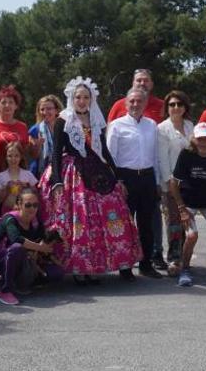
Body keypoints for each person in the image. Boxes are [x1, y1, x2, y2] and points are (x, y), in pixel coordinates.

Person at [39, 76, 141, 283]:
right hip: (74, 174)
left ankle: (105, 265)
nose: (82, 101)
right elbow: (56, 153)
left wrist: (117, 176)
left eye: (86, 97)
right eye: (78, 97)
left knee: (111, 214)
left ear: (91, 99)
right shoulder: (63, 120)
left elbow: (103, 150)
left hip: (98, 171)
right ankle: (80, 268)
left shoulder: (96, 120)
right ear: (72, 98)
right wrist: (57, 181)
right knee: (81, 220)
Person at [107, 69, 167, 268]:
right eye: (131, 101)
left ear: (144, 104)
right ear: (125, 104)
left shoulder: (151, 125)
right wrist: (117, 182)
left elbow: (156, 156)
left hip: (147, 178)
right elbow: (110, 157)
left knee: (146, 224)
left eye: (139, 101)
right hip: (126, 178)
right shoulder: (116, 126)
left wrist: (157, 182)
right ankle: (125, 265)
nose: (135, 104)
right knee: (124, 224)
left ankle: (146, 263)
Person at [169, 122, 206, 287]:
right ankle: (185, 269)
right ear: (193, 140)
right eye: (199, 138)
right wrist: (181, 209)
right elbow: (174, 184)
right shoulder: (186, 154)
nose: (203, 142)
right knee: (191, 236)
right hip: (188, 201)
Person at [0, 187, 63, 305]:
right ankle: (4, 290)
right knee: (16, 248)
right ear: (19, 204)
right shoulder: (9, 219)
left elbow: (43, 241)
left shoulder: (36, 222)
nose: (32, 209)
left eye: (35, 205)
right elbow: (16, 239)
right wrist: (39, 248)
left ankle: (23, 284)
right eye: (28, 205)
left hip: (26, 262)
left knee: (57, 272)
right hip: (1, 261)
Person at [156, 90, 194, 276]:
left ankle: (185, 258)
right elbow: (162, 159)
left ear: (185, 107)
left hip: (191, 183)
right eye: (172, 105)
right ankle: (173, 259)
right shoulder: (162, 129)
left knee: (187, 222)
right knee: (173, 223)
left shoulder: (190, 126)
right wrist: (170, 184)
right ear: (167, 108)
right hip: (171, 183)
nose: (176, 108)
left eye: (179, 104)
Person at [0, 85, 30, 219]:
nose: (7, 105)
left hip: (18, 178)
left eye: (11, 102)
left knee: (19, 215)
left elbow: (25, 153)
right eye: (3, 102)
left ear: (16, 106)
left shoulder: (22, 126)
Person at [0, 141, 38, 215]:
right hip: (8, 212)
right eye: (10, 156)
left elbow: (36, 194)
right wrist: (7, 188)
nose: (13, 159)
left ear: (21, 157)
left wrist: (26, 187)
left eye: (16, 156)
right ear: (6, 157)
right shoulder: (1, 176)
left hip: (26, 213)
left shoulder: (28, 174)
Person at [28, 94, 63, 177]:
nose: (45, 112)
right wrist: (38, 146)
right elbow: (32, 155)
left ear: (57, 110)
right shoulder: (35, 130)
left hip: (62, 170)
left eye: (49, 109)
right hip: (41, 173)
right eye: (42, 109)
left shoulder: (65, 129)